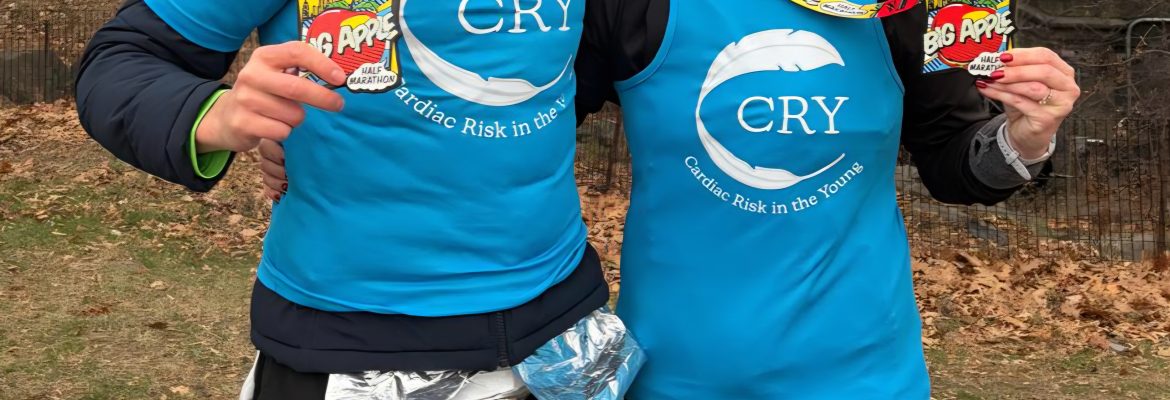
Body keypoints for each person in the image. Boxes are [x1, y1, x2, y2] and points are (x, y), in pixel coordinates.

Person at [259, 1, 1080, 398]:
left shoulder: (906, 8)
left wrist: (1026, 138)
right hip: (673, 376)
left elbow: (957, 164)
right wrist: (314, 139)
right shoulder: (635, 2)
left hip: (866, 374)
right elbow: (514, 115)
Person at [75, 0, 645, 398]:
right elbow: (123, 59)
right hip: (348, 340)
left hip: (563, 320)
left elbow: (575, 70)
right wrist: (218, 115)